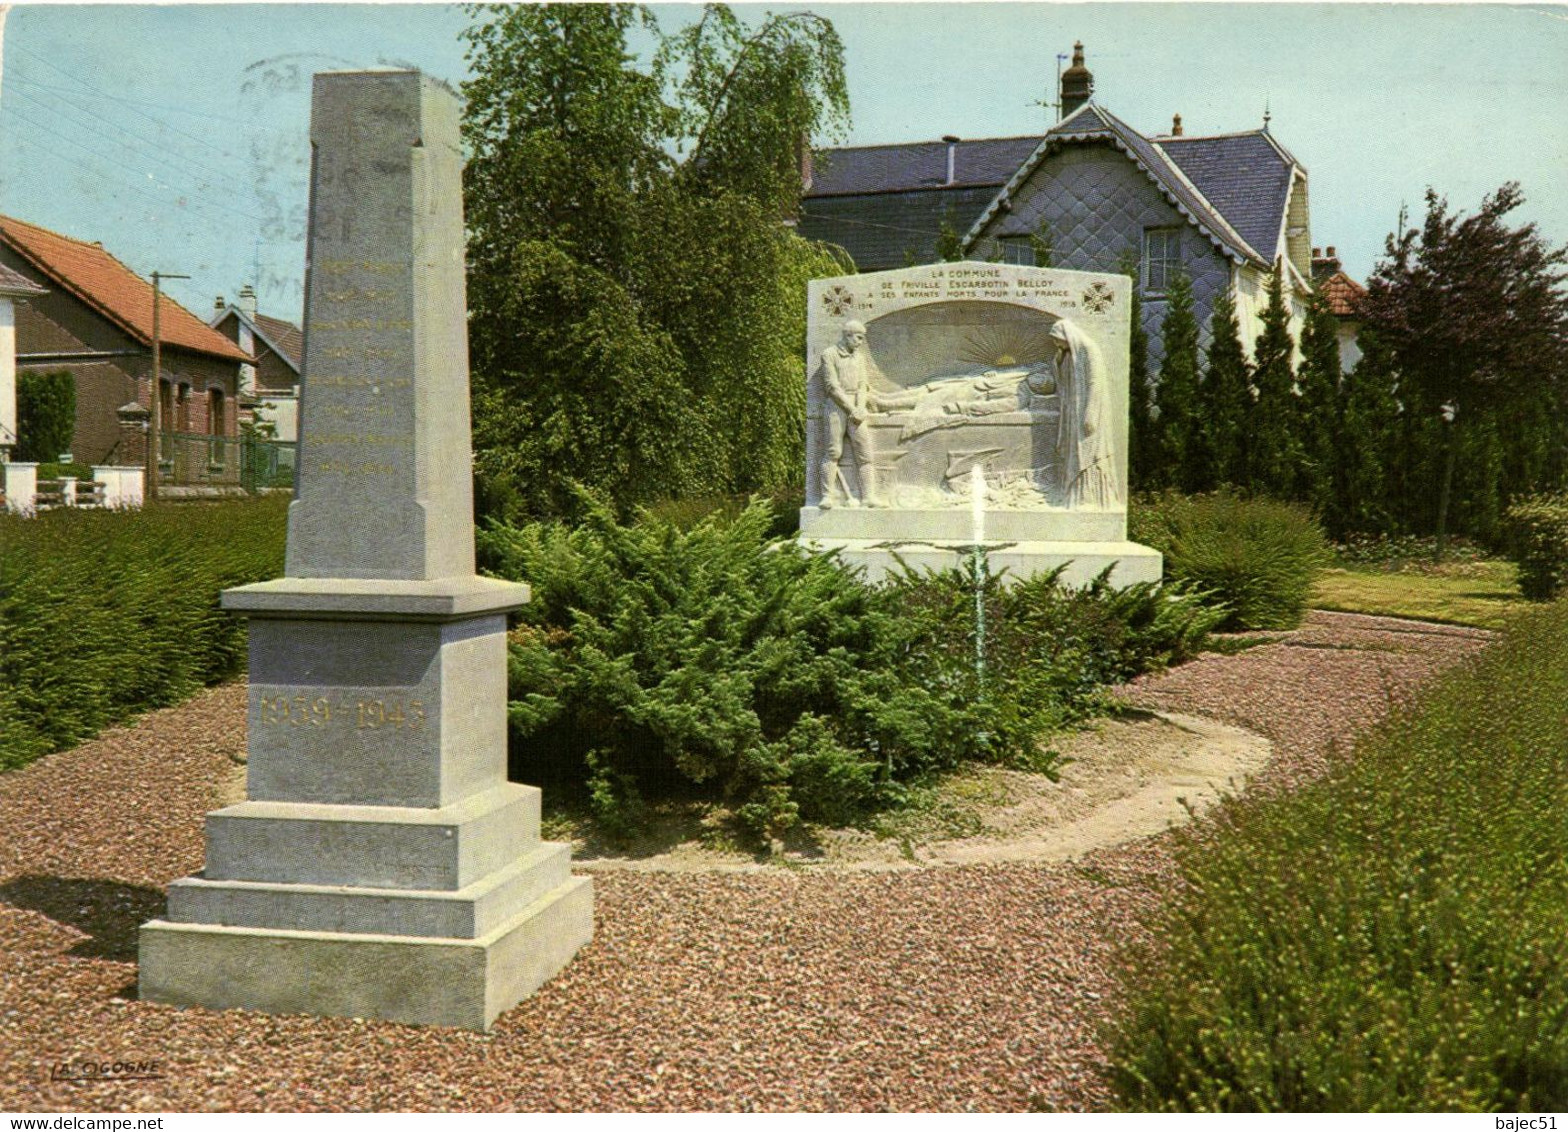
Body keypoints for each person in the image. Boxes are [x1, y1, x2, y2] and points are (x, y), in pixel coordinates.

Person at [1050, 318, 1122, 508]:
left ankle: (1092, 498)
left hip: (1089, 413)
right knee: (1076, 453)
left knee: (1090, 453)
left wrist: (1090, 413)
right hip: (1074, 412)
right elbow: (1061, 380)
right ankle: (1076, 496)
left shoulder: (1089, 349)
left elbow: (1095, 383)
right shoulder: (1069, 355)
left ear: (1067, 335)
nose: (1057, 344)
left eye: (1057, 339)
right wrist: (1057, 361)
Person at [818, 319, 883, 508]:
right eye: (859, 338)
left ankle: (869, 497)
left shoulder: (859, 357)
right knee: (833, 451)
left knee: (865, 454)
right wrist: (852, 408)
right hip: (837, 406)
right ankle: (827, 497)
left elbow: (863, 385)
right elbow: (832, 387)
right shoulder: (829, 354)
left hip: (857, 406)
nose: (860, 342)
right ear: (848, 335)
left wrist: (860, 407)